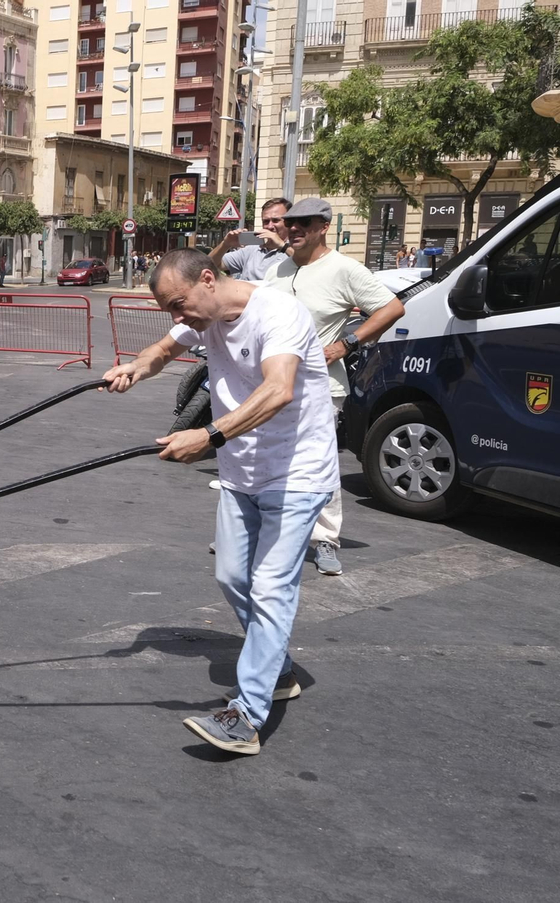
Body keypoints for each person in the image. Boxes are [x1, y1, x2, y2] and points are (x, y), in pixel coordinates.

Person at [103, 248, 339, 756]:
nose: (177, 316)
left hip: (296, 474)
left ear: (208, 280)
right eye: (169, 308)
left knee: (272, 588)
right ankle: (276, 671)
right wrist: (135, 368)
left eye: (179, 303)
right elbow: (165, 349)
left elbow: (278, 390)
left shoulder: (277, 313)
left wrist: (207, 435)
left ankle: (246, 718)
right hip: (242, 474)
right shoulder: (202, 315)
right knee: (232, 577)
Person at [264, 197, 405, 577]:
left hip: (320, 388)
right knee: (267, 461)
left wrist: (347, 343)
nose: (293, 229)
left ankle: (324, 539)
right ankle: (257, 532)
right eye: (289, 222)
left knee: (317, 465)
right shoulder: (276, 270)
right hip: (270, 385)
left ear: (323, 226)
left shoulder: (344, 269)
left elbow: (391, 308)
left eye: (303, 223)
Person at [207, 197, 291, 282]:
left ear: (288, 222)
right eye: (266, 221)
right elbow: (209, 264)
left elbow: (304, 264)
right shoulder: (252, 249)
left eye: (275, 220)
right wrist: (225, 244)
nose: (270, 226)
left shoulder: (295, 249)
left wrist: (283, 246)